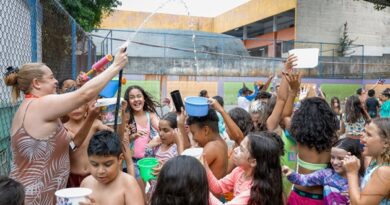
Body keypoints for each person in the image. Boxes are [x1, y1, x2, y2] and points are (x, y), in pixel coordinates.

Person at [4, 48, 128, 205]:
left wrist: (90, 119)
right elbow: (84, 95)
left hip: (47, 196)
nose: (56, 81)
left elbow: (72, 145)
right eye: (51, 77)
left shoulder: (40, 109)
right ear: (36, 83)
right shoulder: (39, 105)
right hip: (32, 198)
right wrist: (116, 66)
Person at [206, 132, 284, 205]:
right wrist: (204, 165)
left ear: (253, 162)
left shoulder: (254, 191)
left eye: (241, 149)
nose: (235, 150)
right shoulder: (239, 171)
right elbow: (218, 187)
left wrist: (200, 189)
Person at [288, 97, 339, 205]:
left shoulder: (299, 139)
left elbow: (286, 116)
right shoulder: (334, 141)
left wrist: (293, 92)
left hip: (298, 196)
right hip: (322, 199)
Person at [283, 137, 364, 205]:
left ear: (353, 159)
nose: (335, 162)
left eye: (340, 158)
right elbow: (304, 180)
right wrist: (290, 173)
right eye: (332, 157)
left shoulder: (360, 180)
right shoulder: (326, 174)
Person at [64, 88, 113, 187]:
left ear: (86, 106)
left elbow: (113, 134)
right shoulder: (63, 127)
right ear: (65, 108)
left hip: (93, 175)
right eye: (72, 106)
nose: (76, 109)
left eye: (79, 105)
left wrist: (113, 113)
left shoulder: (95, 123)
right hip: (72, 176)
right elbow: (74, 143)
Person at [80, 130, 144, 205]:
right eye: (95, 164)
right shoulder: (86, 183)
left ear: (120, 159)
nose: (100, 171)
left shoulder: (128, 184)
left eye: (107, 164)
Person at [343, 118, 390, 204]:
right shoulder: (375, 163)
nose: (361, 136)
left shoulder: (385, 171)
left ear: (386, 143)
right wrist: (356, 193)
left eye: (368, 134)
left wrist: (352, 173)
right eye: (364, 132)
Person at [123, 85, 161, 190]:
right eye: (132, 97)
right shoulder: (127, 118)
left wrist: (153, 142)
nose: (136, 100)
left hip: (149, 161)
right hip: (132, 162)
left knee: (155, 190)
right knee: (138, 190)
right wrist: (133, 137)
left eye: (139, 96)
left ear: (144, 98)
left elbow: (163, 132)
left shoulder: (151, 116)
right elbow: (122, 140)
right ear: (128, 101)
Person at [187, 109, 228, 179]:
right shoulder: (221, 142)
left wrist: (179, 143)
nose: (193, 138)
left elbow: (187, 172)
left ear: (206, 130)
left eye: (193, 133)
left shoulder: (213, 147)